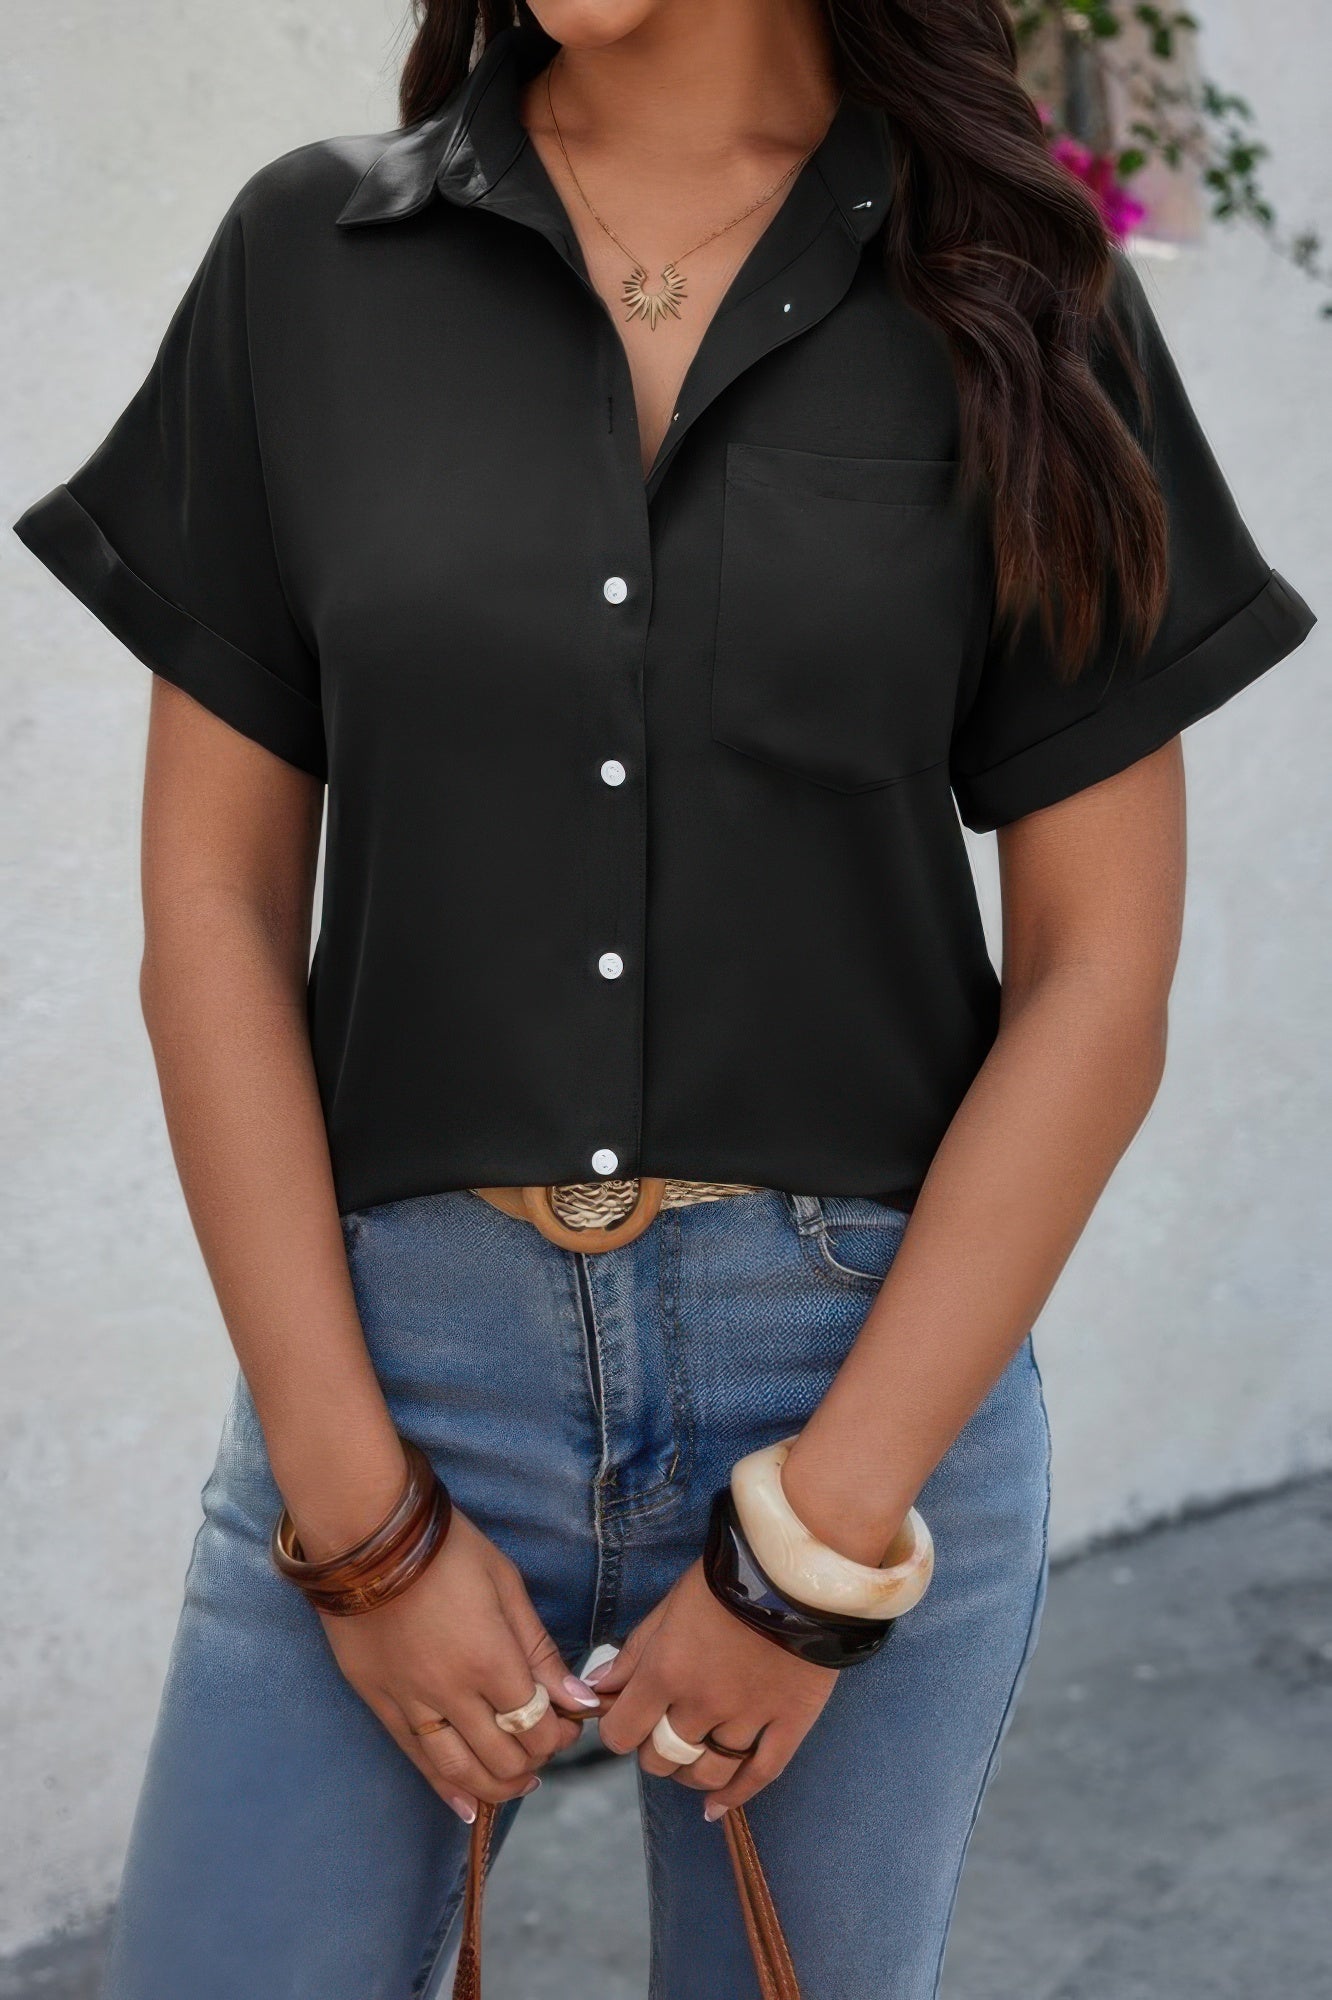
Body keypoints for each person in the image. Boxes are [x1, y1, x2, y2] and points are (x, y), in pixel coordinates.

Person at [13, 1, 1315, 1996]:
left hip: (860, 1386)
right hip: (389, 1378)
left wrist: (818, 1543)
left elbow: (1098, 974)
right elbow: (211, 913)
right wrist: (358, 1522)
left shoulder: (1014, 284)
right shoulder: (309, 263)